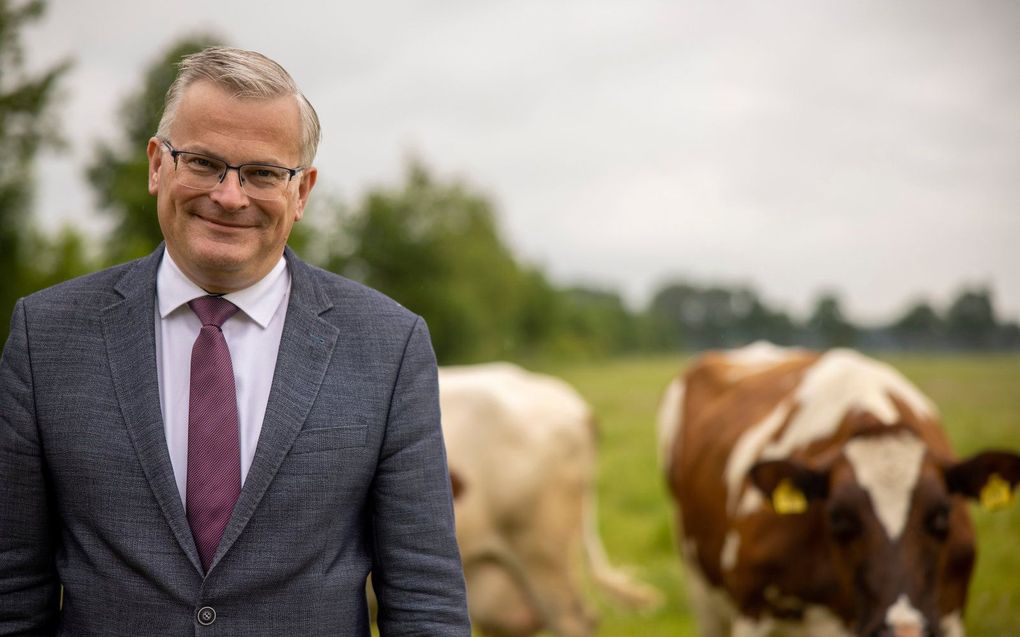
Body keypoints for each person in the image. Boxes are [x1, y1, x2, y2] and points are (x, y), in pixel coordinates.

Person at [0, 47, 470, 636]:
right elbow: (11, 589)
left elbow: (425, 600)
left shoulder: (388, 345)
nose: (229, 195)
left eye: (263, 173)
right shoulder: (46, 337)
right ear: (156, 164)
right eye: (202, 162)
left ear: (302, 192)